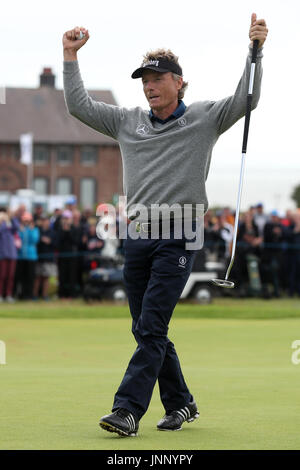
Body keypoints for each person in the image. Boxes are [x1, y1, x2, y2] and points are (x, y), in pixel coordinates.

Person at [62, 13, 268, 436]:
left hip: (182, 233)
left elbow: (246, 98)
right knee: (146, 328)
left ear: (178, 81)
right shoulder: (126, 121)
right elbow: (78, 106)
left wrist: (255, 51)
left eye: (157, 79)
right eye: (145, 81)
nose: (149, 87)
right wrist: (69, 57)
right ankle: (181, 404)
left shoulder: (205, 118)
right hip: (136, 233)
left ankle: (127, 410)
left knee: (152, 325)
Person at [15, 212, 40, 300]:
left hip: (31, 257)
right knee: (21, 277)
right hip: (21, 256)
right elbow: (18, 240)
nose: (26, 222)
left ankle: (29, 295)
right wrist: (21, 231)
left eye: (28, 220)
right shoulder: (19, 229)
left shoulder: (34, 229)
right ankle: (20, 294)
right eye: (25, 220)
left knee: (30, 277)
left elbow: (34, 240)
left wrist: (31, 230)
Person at [0, 208, 20, 302]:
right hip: (2, 254)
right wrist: (2, 221)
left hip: (12, 254)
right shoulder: (2, 225)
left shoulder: (10, 225)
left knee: (10, 276)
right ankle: (0, 294)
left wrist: (11, 218)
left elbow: (16, 227)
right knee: (2, 276)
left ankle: (8, 294)